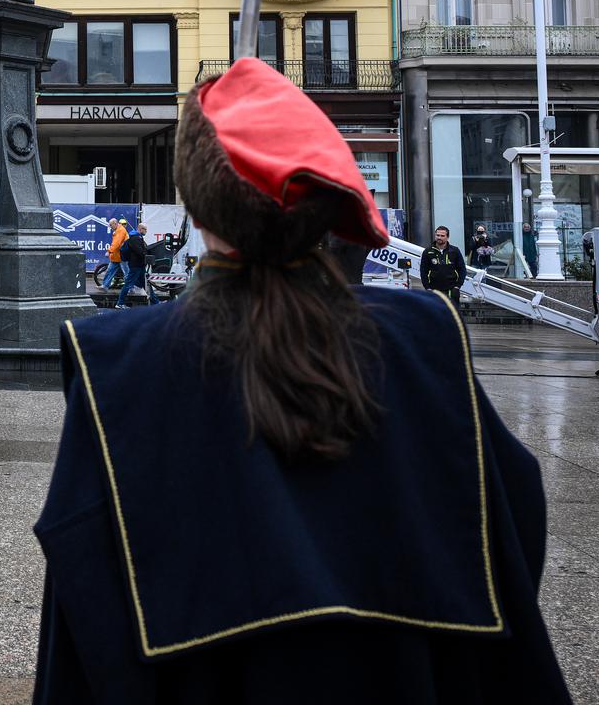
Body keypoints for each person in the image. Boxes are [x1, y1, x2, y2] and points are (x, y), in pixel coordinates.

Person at [33, 56, 569, 702]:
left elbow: (82, 593)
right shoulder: (423, 337)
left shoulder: (117, 361)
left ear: (197, 207)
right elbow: (513, 510)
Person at [420, 225, 466, 306]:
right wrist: (427, 287)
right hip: (434, 290)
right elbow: (423, 271)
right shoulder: (428, 251)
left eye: (442, 236)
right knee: (435, 315)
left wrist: (458, 286)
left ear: (447, 237)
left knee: (452, 314)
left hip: (451, 290)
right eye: (437, 235)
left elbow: (462, 270)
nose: (439, 237)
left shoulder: (454, 251)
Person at [114, 223, 148, 309]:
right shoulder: (135, 238)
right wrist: (146, 255)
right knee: (128, 284)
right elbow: (139, 251)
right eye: (145, 229)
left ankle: (155, 301)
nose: (146, 231)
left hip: (140, 265)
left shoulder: (138, 237)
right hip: (136, 265)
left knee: (146, 283)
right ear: (140, 229)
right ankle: (120, 303)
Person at [103, 218, 130, 290]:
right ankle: (105, 286)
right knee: (110, 271)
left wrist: (109, 251)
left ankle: (130, 288)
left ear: (115, 223)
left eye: (111, 225)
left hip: (122, 256)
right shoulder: (117, 230)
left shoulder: (120, 230)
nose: (110, 227)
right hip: (117, 256)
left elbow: (116, 243)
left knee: (126, 273)